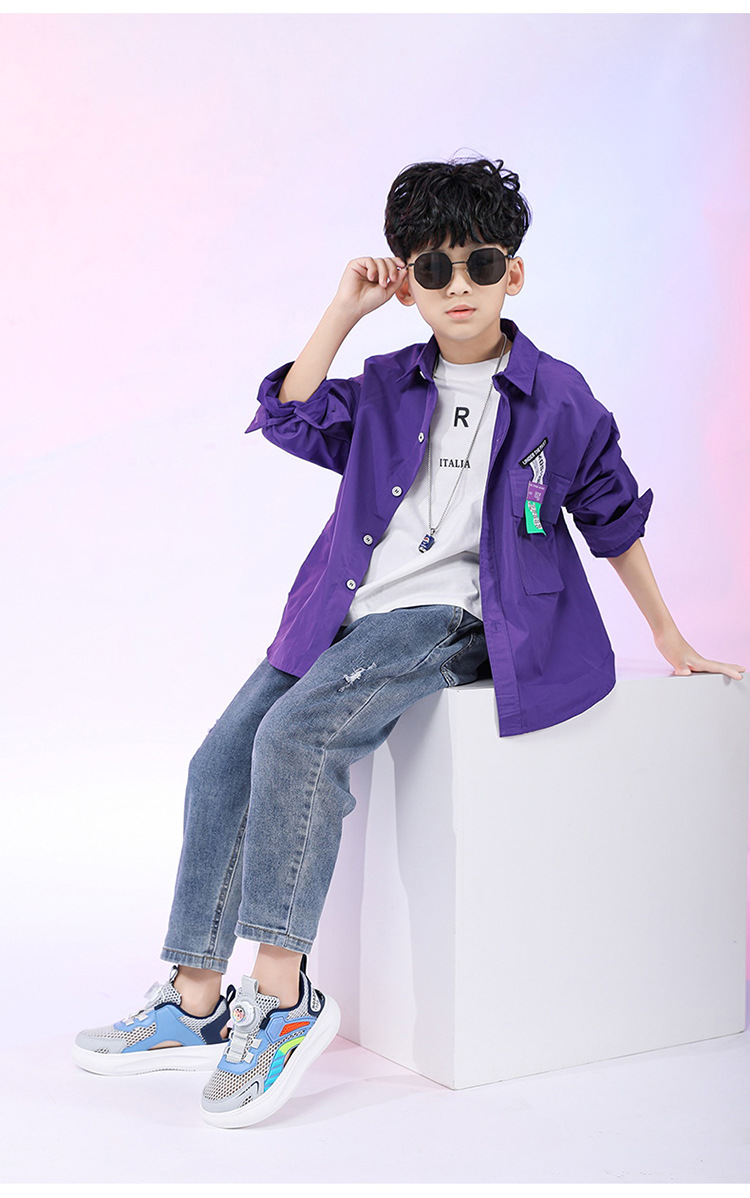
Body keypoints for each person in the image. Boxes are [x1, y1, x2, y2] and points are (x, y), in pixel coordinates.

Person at [73, 156, 745, 1128]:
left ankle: (282, 996)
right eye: (433, 268)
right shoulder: (389, 383)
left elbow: (612, 516)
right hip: (342, 608)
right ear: (410, 283)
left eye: (480, 264)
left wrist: (670, 635)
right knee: (221, 757)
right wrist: (343, 311)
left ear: (514, 273)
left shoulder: (560, 398)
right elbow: (291, 415)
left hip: (455, 616)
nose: (458, 285)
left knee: (297, 737)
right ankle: (194, 999)